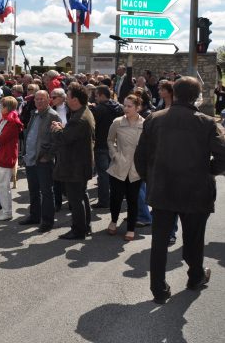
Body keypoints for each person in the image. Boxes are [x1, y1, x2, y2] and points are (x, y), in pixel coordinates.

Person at [135, 76, 225, 305]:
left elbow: (141, 156)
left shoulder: (154, 119)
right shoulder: (206, 122)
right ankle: (195, 277)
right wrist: (210, 170)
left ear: (173, 93)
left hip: (163, 189)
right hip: (195, 190)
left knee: (159, 242)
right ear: (196, 97)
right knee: (194, 239)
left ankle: (158, 289)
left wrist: (150, 179)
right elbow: (223, 154)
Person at [51, 82, 95, 240]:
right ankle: (85, 226)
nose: (66, 100)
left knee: (76, 199)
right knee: (81, 196)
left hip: (75, 166)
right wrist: (63, 128)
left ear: (75, 100)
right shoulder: (84, 112)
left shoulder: (79, 118)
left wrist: (57, 129)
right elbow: (72, 136)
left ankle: (79, 230)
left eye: (68, 97)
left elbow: (64, 139)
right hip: (81, 163)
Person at [106, 94, 144, 241]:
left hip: (135, 169)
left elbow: (148, 146)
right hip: (118, 166)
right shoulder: (117, 122)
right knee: (115, 197)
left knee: (133, 199)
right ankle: (113, 221)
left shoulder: (145, 124)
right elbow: (110, 140)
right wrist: (115, 155)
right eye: (124, 105)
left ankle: (131, 228)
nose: (125, 108)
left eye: (129, 106)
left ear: (138, 107)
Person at [20, 90, 60, 231]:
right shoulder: (35, 113)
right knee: (33, 190)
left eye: (42, 99)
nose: (39, 101)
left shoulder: (53, 116)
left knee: (46, 192)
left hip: (43, 161)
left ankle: (47, 222)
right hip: (31, 159)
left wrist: (47, 156)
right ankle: (34, 216)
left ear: (49, 100)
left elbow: (57, 140)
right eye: (37, 99)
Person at [90, 85, 124, 209]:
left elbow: (93, 128)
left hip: (102, 145)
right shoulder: (119, 107)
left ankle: (104, 201)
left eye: (96, 95)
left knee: (104, 175)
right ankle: (116, 199)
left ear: (102, 95)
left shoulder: (99, 109)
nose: (95, 98)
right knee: (115, 174)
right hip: (116, 144)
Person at [0, 96, 23, 221]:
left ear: (7, 107)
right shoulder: (5, 119)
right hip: (1, 154)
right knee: (0, 184)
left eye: (2, 106)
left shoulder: (12, 122)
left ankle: (7, 211)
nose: (0, 108)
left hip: (6, 156)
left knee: (3, 185)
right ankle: (4, 209)